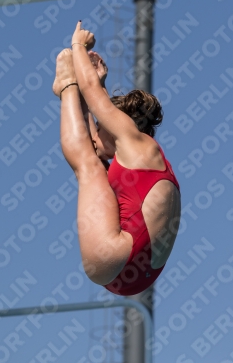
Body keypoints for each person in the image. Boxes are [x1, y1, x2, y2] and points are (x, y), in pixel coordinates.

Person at [52, 21, 181, 296]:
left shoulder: (132, 139)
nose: (95, 136)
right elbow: (98, 115)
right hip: (142, 275)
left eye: (99, 128)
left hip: (116, 257)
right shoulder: (143, 156)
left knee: (89, 166)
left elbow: (92, 93)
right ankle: (67, 86)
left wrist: (78, 44)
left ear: (114, 127)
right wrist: (100, 84)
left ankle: (65, 86)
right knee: (94, 163)